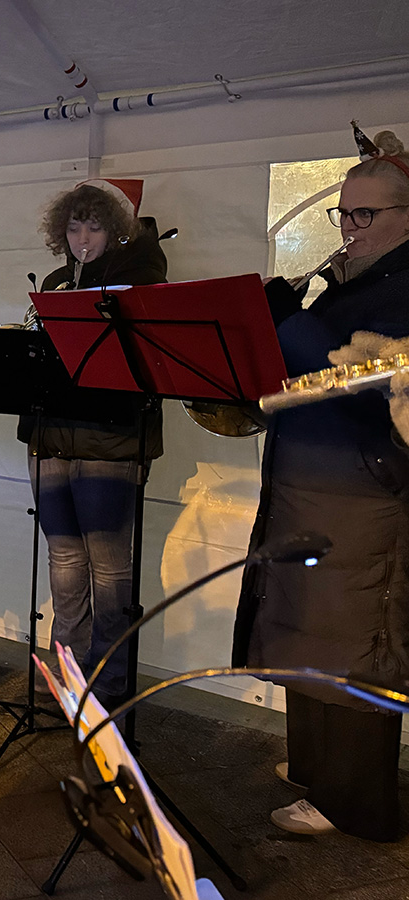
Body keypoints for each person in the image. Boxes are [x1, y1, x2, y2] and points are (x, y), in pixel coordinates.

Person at [234, 127, 409, 841]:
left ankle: (357, 803)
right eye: (344, 213)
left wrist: (286, 325)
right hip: (311, 480)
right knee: (307, 631)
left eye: (367, 214)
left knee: (357, 646)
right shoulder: (349, 281)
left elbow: (365, 376)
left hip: (366, 495)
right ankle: (315, 772)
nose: (351, 227)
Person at [17, 179, 167, 705]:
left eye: (95, 227)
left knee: (109, 566)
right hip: (51, 434)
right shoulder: (57, 281)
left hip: (110, 439)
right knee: (63, 561)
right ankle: (66, 669)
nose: (83, 238)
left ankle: (109, 681)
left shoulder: (141, 281)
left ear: (117, 230)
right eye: (74, 227)